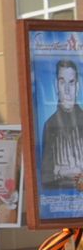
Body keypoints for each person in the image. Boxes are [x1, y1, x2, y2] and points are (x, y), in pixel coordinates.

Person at [38, 57, 83, 188]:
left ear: (77, 87)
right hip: (58, 197)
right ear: (56, 86)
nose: (67, 90)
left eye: (72, 82)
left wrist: (60, 171)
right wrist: (62, 172)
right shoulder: (49, 125)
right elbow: (45, 178)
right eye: (62, 82)